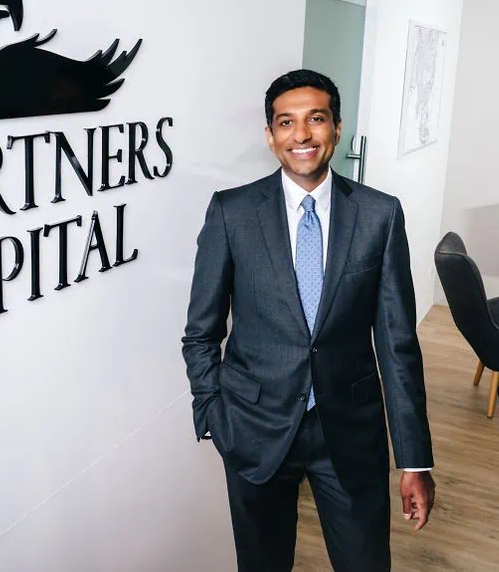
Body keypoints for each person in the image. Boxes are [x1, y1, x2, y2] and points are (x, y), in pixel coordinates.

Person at [181, 69, 435, 571]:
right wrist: (214, 413)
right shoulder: (232, 213)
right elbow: (202, 330)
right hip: (254, 428)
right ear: (270, 135)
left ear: (336, 127)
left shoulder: (379, 215)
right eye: (286, 123)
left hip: (348, 428)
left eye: (315, 119)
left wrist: (413, 460)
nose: (301, 135)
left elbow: (397, 344)